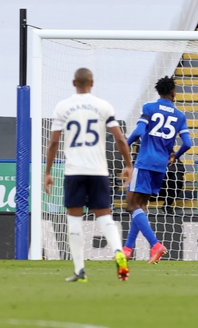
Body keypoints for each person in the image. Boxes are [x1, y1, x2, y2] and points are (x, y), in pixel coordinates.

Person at [44, 68, 133, 282]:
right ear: (92, 83)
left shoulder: (63, 107)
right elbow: (120, 138)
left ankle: (80, 269)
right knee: (104, 215)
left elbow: (54, 142)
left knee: (74, 219)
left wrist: (47, 171)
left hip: (74, 171)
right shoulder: (103, 106)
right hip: (98, 171)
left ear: (74, 82)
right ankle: (119, 252)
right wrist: (129, 164)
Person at [121, 76, 191, 263]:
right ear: (173, 92)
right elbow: (188, 143)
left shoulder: (149, 108)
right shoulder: (180, 115)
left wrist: (125, 145)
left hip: (144, 162)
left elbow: (137, 132)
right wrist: (176, 155)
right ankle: (127, 249)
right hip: (161, 166)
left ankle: (155, 245)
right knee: (140, 206)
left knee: (131, 205)